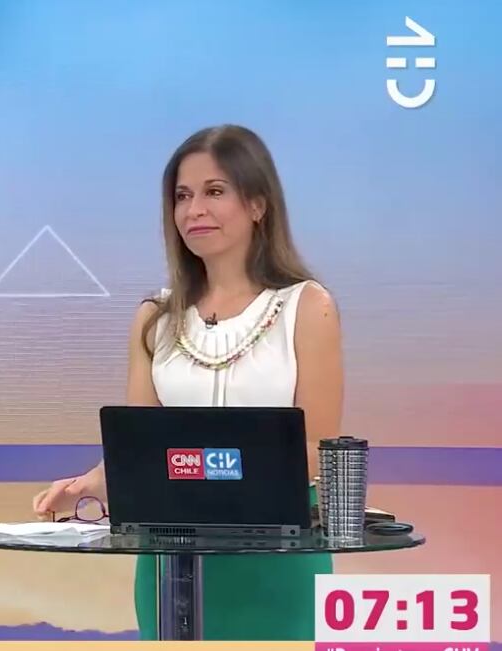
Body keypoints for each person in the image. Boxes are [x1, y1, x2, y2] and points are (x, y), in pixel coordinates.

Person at [32, 124, 343, 640]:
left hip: (278, 561)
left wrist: (202, 472)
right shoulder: (155, 318)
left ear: (258, 204)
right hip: (171, 566)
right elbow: (142, 450)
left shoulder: (307, 307)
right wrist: (90, 485)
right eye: (182, 196)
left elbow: (316, 450)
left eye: (214, 192)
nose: (194, 210)